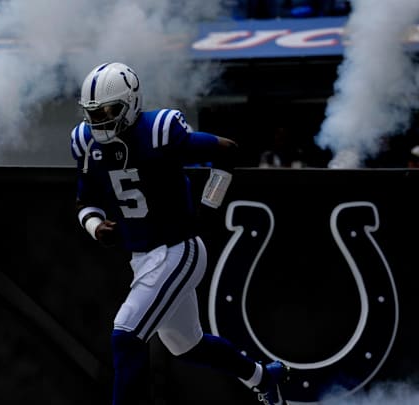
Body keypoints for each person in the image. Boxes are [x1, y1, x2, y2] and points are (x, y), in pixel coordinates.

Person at [70, 62, 289, 405]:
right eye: (93, 113)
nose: (100, 121)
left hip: (177, 249)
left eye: (109, 111)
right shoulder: (86, 142)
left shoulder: (158, 130)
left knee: (125, 336)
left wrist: (209, 205)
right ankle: (264, 377)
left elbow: (227, 150)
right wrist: (96, 226)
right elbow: (85, 201)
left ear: (131, 103)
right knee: (188, 345)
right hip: (143, 257)